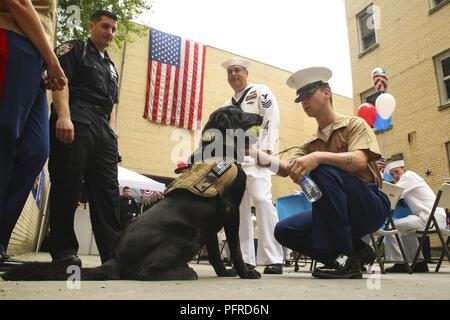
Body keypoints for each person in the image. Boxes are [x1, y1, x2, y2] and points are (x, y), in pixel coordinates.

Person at [247, 67, 390, 279]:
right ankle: (351, 256)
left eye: (309, 94)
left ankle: (343, 253)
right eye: (301, 98)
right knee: (285, 230)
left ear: (327, 92)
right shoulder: (310, 143)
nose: (304, 102)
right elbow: (288, 169)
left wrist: (318, 158)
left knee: (322, 168)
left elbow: (359, 162)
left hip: (367, 206)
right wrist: (251, 151)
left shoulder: (354, 124)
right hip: (334, 212)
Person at [48, 10, 121, 265]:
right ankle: (64, 250)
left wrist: (112, 134)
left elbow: (112, 103)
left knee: (108, 191)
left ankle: (113, 254)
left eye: (113, 28)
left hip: (102, 128)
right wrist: (63, 116)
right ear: (91, 26)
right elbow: (60, 82)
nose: (109, 32)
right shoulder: (75, 49)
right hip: (77, 116)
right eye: (104, 26)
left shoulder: (112, 67)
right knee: (67, 183)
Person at [0, 0, 67, 270]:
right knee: (4, 137)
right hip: (12, 38)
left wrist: (46, 60)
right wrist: (52, 60)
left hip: (35, 59)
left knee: (35, 149)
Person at [221, 57, 284, 274]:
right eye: (230, 71)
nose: (234, 74)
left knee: (262, 200)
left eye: (237, 70)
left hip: (257, 157)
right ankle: (245, 259)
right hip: (236, 163)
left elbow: (271, 116)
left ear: (246, 72)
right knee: (239, 209)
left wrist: (266, 150)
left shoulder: (260, 91)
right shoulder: (226, 105)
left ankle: (273, 258)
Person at [383, 160, 447, 272]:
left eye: (397, 172)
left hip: (428, 218)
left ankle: (400, 263)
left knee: (390, 227)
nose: (395, 176)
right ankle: (419, 263)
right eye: (392, 174)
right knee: (406, 230)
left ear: (403, 168)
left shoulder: (407, 177)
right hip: (434, 218)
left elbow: (393, 194)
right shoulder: (413, 177)